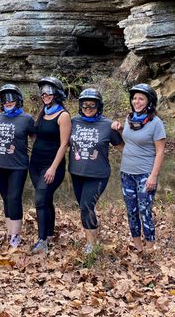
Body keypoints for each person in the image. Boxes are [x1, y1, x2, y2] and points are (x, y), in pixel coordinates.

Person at [112, 83, 166, 252]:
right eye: (134, 98)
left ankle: (149, 246)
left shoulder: (156, 123)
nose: (137, 101)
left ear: (149, 102)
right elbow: (130, 140)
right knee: (131, 211)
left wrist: (153, 176)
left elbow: (160, 152)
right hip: (126, 173)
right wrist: (119, 129)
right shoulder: (129, 119)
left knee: (144, 211)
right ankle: (137, 245)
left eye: (141, 99)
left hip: (145, 174)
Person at [68, 88, 123, 254]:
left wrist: (121, 130)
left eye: (92, 105)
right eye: (85, 106)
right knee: (84, 208)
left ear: (99, 106)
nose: (88, 109)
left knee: (86, 206)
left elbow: (123, 148)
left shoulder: (108, 125)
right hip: (76, 172)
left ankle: (91, 245)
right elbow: (62, 141)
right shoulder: (73, 122)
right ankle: (91, 236)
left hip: (98, 174)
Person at [29, 76, 71, 253]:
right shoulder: (43, 112)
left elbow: (64, 144)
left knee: (40, 200)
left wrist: (53, 168)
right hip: (35, 164)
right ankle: (50, 233)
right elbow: (35, 135)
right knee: (46, 200)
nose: (45, 94)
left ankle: (42, 241)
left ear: (57, 94)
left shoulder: (63, 115)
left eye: (49, 91)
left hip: (53, 165)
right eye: (43, 91)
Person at [0, 84, 35, 248]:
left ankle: (16, 236)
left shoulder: (27, 119)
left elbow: (36, 140)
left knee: (14, 198)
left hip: (18, 165)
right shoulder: (0, 117)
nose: (8, 102)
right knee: (5, 198)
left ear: (18, 100)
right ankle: (10, 233)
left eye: (11, 98)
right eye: (4, 99)